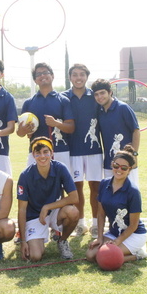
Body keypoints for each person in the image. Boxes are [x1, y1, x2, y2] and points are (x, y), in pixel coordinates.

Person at [17, 136, 79, 262]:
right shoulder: (25, 175)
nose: (42, 156)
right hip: (35, 216)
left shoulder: (60, 168)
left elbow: (74, 198)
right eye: (38, 153)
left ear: (52, 153)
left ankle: (62, 241)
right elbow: (22, 209)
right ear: (33, 155)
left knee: (73, 212)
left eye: (46, 152)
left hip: (54, 211)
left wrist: (47, 207)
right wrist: (23, 241)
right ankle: (33, 239)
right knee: (35, 256)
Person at [86, 146, 147, 263]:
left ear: (129, 170)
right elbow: (101, 214)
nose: (119, 170)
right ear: (112, 164)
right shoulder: (104, 184)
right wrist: (99, 238)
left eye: (124, 168)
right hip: (114, 233)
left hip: (134, 235)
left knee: (105, 257)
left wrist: (117, 241)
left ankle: (137, 255)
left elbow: (133, 225)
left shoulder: (133, 191)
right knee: (90, 255)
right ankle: (126, 253)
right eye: (116, 165)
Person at [62, 64, 103, 237]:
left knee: (96, 187)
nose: (78, 78)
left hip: (94, 151)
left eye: (82, 74)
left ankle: (96, 224)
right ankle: (80, 223)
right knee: (76, 188)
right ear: (70, 77)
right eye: (75, 75)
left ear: (87, 77)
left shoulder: (95, 96)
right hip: (72, 150)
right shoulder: (63, 97)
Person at [91, 78, 141, 189]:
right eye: (96, 94)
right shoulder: (99, 111)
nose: (100, 97)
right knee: (111, 194)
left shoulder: (123, 108)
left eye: (102, 93)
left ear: (110, 92)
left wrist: (134, 155)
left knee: (129, 193)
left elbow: (136, 131)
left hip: (126, 162)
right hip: (109, 163)